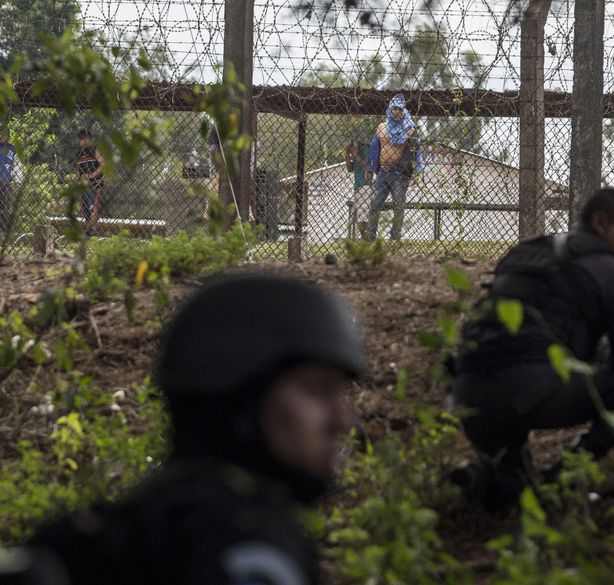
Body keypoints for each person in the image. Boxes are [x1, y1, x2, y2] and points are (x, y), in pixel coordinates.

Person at [12, 274, 363, 585]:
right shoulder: (239, 539)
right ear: (240, 397)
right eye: (317, 390)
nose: (342, 421)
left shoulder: (114, 530)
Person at [451, 188, 614, 511]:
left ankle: (490, 478)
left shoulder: (531, 250)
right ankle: (563, 478)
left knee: (511, 493)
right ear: (601, 223)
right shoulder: (610, 269)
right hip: (527, 393)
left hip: (466, 395)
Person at [365, 93, 422, 241]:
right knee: (375, 205)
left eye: (400, 109)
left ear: (404, 111)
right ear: (390, 109)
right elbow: (374, 148)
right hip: (383, 172)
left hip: (399, 173)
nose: (397, 111)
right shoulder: (382, 127)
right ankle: (370, 237)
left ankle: (395, 238)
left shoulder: (408, 128)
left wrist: (416, 171)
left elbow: (416, 148)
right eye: (395, 108)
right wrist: (370, 168)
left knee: (399, 207)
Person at [73, 129, 105, 225]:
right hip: (84, 186)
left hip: (95, 184)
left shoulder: (94, 150)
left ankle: (92, 228)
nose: (84, 141)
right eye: (82, 139)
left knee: (93, 208)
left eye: (87, 138)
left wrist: (91, 175)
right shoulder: (78, 154)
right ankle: (89, 230)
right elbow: (79, 170)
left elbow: (103, 164)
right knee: (85, 209)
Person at [346, 139, 372, 239]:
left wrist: (355, 155)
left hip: (365, 187)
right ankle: (364, 238)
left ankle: (366, 239)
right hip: (357, 187)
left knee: (363, 217)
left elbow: (368, 166)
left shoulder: (367, 149)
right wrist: (348, 154)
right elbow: (350, 168)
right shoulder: (357, 150)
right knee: (358, 218)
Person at [0, 128, 23, 235]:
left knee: (5, 206)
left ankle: (3, 232)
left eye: (3, 133)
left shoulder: (12, 149)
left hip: (6, 182)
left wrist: (18, 182)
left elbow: (17, 166)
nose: (1, 136)